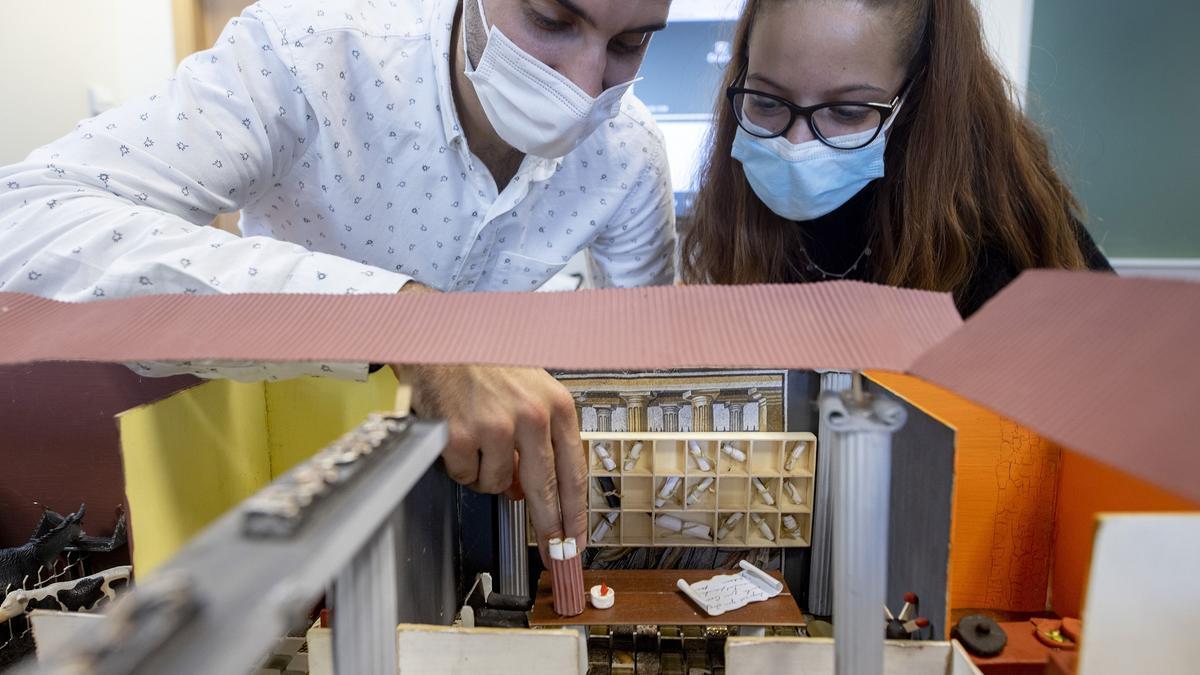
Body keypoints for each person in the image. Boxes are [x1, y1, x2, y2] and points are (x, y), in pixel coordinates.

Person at [0, 0, 676, 559]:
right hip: (275, 502)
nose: (585, 86)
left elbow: (652, 380)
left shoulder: (628, 153)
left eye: (631, 44)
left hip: (475, 516)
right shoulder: (308, 55)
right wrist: (405, 322)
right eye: (550, 19)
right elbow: (27, 223)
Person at [681, 0, 1111, 316]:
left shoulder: (993, 231)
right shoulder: (736, 202)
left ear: (915, 98)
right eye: (768, 101)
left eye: (846, 112)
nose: (794, 144)